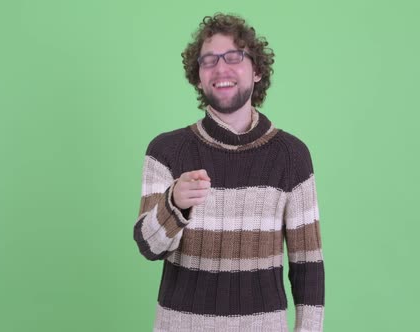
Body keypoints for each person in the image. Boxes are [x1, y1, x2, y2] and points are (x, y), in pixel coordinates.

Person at [133, 13, 324, 332]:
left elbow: (308, 265)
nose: (221, 68)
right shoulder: (166, 151)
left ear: (258, 70)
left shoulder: (292, 156)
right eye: (208, 61)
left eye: (234, 57)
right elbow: (148, 246)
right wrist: (174, 204)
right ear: (198, 77)